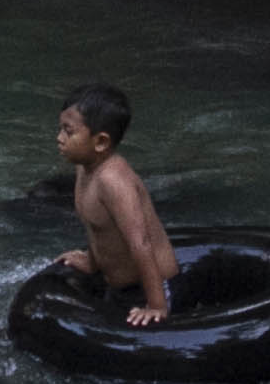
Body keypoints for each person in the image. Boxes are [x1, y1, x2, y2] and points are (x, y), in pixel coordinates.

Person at [52, 82, 178, 325]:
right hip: (119, 285)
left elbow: (140, 242)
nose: (59, 138)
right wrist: (91, 260)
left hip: (148, 287)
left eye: (68, 131)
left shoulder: (113, 180)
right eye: (60, 129)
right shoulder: (84, 167)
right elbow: (97, 226)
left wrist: (156, 305)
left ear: (100, 142)